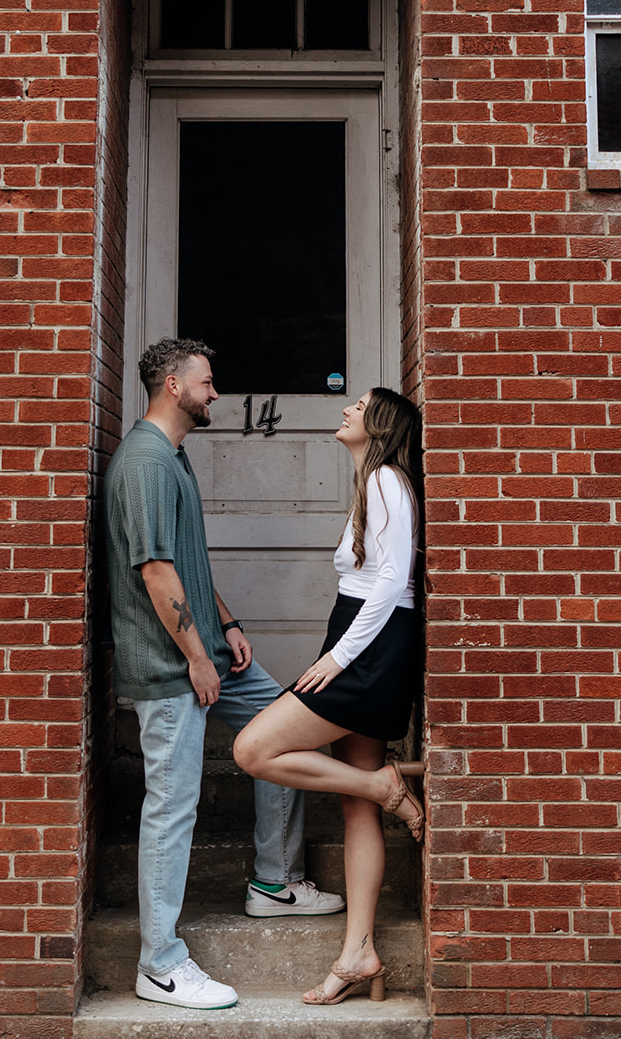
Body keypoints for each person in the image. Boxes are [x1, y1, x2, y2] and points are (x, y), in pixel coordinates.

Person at [104, 337, 344, 1012]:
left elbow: (183, 559)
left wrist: (228, 624)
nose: (216, 394)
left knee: (288, 730)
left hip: (206, 648)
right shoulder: (147, 463)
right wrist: (197, 658)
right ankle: (159, 964)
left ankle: (273, 883)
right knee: (172, 810)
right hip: (170, 665)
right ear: (174, 386)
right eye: (207, 384)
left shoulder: (173, 456)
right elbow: (153, 572)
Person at [232, 386, 424, 1007]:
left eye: (358, 404)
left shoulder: (386, 481)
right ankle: (358, 952)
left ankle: (384, 785)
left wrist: (338, 659)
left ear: (380, 424)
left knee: (253, 749)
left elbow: (394, 579)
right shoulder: (376, 482)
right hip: (363, 639)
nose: (346, 409)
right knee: (354, 804)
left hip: (367, 649)